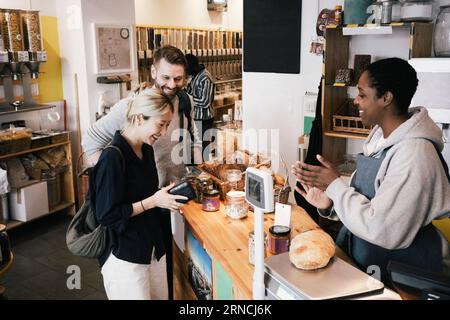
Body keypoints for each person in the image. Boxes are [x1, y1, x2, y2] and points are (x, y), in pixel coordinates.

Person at [292, 58, 450, 284]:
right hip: (372, 265)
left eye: (362, 94)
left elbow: (383, 228)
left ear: (386, 98)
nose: (356, 100)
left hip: (406, 278)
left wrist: (336, 185)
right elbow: (370, 205)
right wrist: (332, 203)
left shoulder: (415, 154)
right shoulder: (379, 140)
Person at [82, 45, 202, 299]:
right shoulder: (133, 106)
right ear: (153, 72)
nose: (172, 84)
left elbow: (192, 137)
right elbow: (91, 139)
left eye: (178, 79)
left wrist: (196, 170)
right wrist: (112, 178)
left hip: (163, 202)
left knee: (165, 277)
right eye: (166, 77)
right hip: (139, 212)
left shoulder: (183, 102)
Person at [92, 88, 188, 300]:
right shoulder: (112, 158)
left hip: (153, 247)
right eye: (160, 124)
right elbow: (108, 215)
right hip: (126, 256)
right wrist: (154, 201)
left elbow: (144, 193)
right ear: (138, 118)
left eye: (167, 125)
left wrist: (162, 195)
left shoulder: (146, 150)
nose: (164, 132)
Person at [185, 53, 216, 159]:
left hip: (204, 120)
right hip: (195, 118)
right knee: (196, 147)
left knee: (203, 149)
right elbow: (190, 92)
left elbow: (204, 101)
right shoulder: (194, 75)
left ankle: (204, 172)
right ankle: (197, 171)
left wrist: (188, 99)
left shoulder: (205, 78)